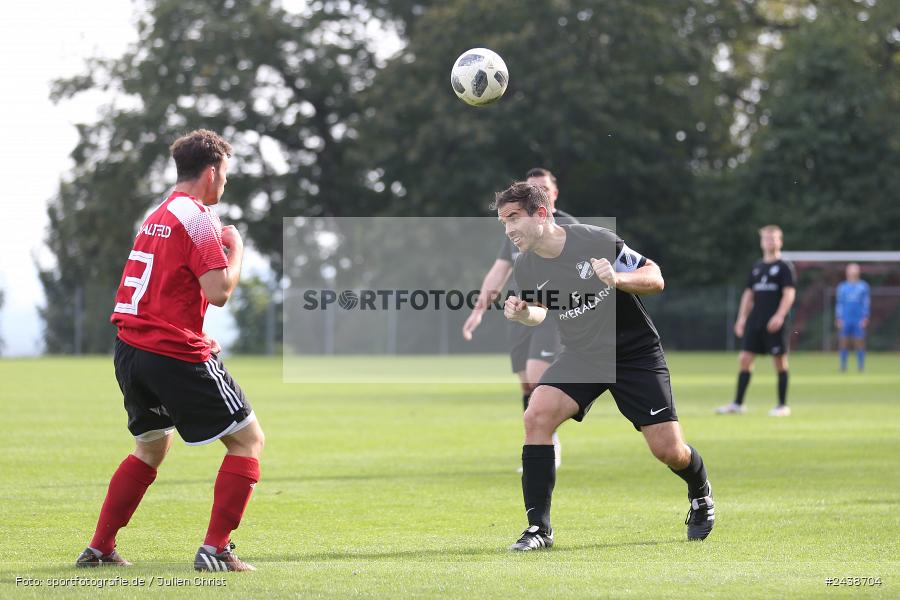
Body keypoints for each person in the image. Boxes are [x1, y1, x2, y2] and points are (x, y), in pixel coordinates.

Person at [76, 130, 264, 572]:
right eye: (225, 174)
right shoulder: (198, 219)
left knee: (150, 449)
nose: (225, 183)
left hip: (129, 349)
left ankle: (100, 547)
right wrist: (237, 250)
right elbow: (218, 292)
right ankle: (216, 549)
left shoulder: (157, 214)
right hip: (172, 351)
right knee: (248, 441)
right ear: (211, 172)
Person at [494, 182, 715, 551]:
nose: (508, 230)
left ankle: (700, 489)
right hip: (581, 356)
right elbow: (540, 313)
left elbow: (655, 277)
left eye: (514, 218)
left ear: (542, 214)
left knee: (668, 450)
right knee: (536, 415)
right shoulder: (527, 266)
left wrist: (618, 279)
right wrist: (523, 314)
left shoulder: (594, 239)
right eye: (504, 222)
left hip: (635, 354)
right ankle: (539, 529)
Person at [462, 168, 577, 469]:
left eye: (544, 188)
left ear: (554, 194)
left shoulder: (568, 226)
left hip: (550, 312)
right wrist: (478, 311)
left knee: (538, 378)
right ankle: (540, 438)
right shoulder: (516, 228)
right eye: (532, 188)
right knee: (526, 384)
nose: (538, 192)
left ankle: (546, 446)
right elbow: (499, 271)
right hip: (520, 311)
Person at [717, 225, 796, 417]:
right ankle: (737, 404)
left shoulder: (785, 267)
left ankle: (782, 405)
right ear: (761, 242)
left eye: (773, 238)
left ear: (780, 241)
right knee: (745, 359)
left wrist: (779, 315)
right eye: (766, 238)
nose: (770, 241)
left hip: (774, 322)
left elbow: (789, 293)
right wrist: (742, 318)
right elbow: (748, 294)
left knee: (779, 361)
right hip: (755, 320)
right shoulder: (757, 267)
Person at [836, 263, 870, 372]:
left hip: (858, 319)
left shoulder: (863, 286)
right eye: (850, 270)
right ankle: (843, 366)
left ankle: (861, 366)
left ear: (858, 272)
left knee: (860, 342)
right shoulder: (842, 287)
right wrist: (839, 318)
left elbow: (866, 303)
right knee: (843, 342)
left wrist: (865, 317)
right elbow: (839, 303)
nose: (852, 272)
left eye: (854, 270)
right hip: (845, 318)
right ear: (847, 272)